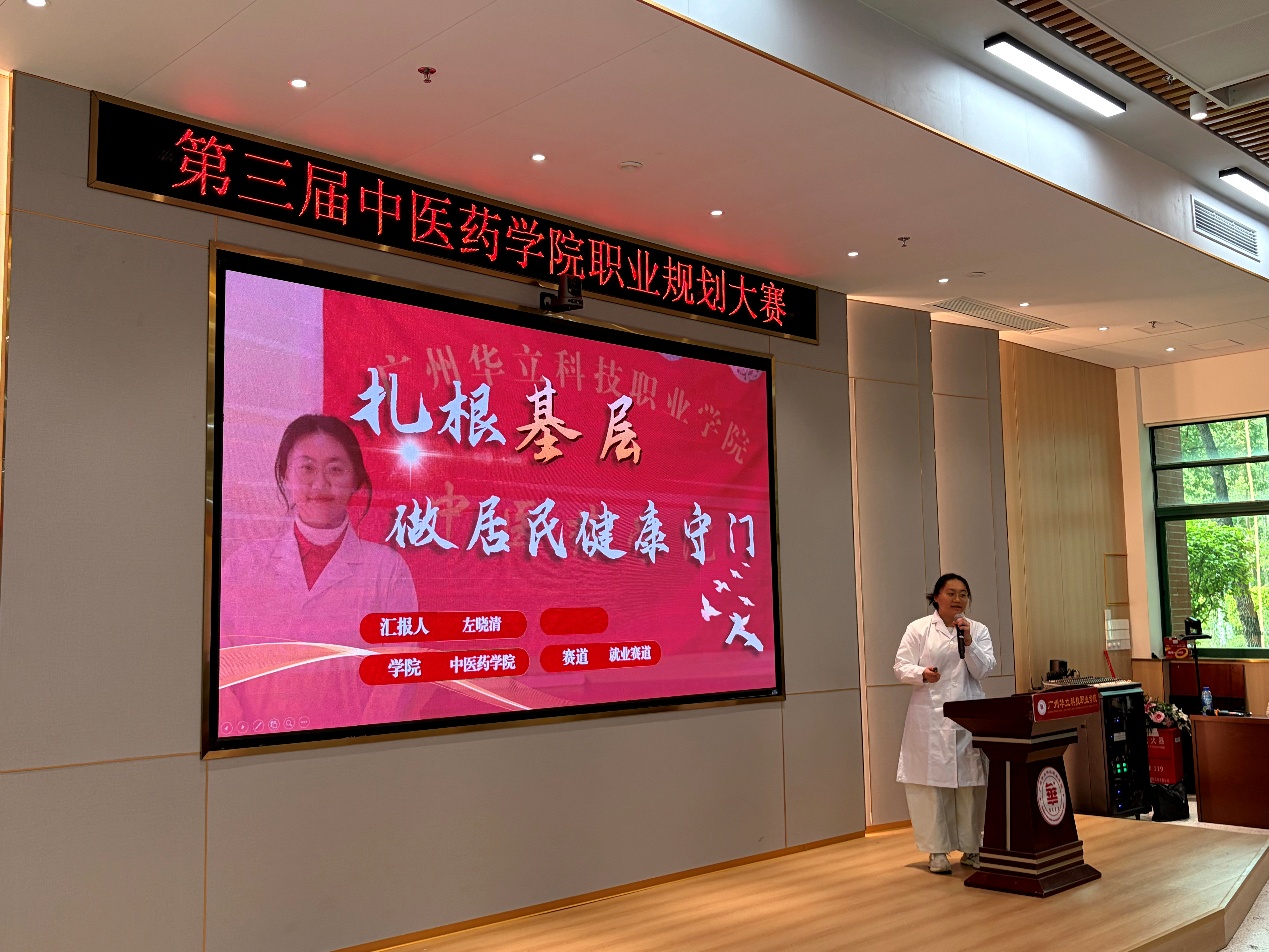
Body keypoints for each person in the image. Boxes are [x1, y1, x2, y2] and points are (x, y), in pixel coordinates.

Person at [218, 414, 418, 733]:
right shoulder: (242, 566)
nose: (320, 484)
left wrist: (363, 744)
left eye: (335, 469)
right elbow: (219, 666)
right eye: (307, 468)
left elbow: (396, 676)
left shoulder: (388, 570)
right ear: (286, 475)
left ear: (355, 478)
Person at [894, 573, 997, 874]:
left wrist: (970, 643)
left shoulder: (977, 629)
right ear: (936, 597)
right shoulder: (918, 628)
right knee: (932, 787)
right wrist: (922, 674)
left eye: (963, 594)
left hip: (968, 718)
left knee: (970, 786)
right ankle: (937, 851)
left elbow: (983, 669)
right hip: (930, 717)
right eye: (951, 593)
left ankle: (972, 848)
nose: (957, 599)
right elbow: (900, 666)